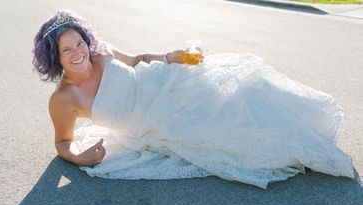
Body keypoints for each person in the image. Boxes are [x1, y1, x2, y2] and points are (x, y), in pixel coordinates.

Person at [33, 10, 354, 188]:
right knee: (229, 132)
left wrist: (172, 56)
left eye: (79, 43)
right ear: (55, 58)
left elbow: (138, 60)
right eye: (67, 50)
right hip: (156, 125)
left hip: (164, 82)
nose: (79, 53)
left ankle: (309, 127)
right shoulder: (63, 99)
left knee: (242, 86)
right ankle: (299, 145)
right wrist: (78, 157)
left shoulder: (99, 50)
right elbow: (63, 141)